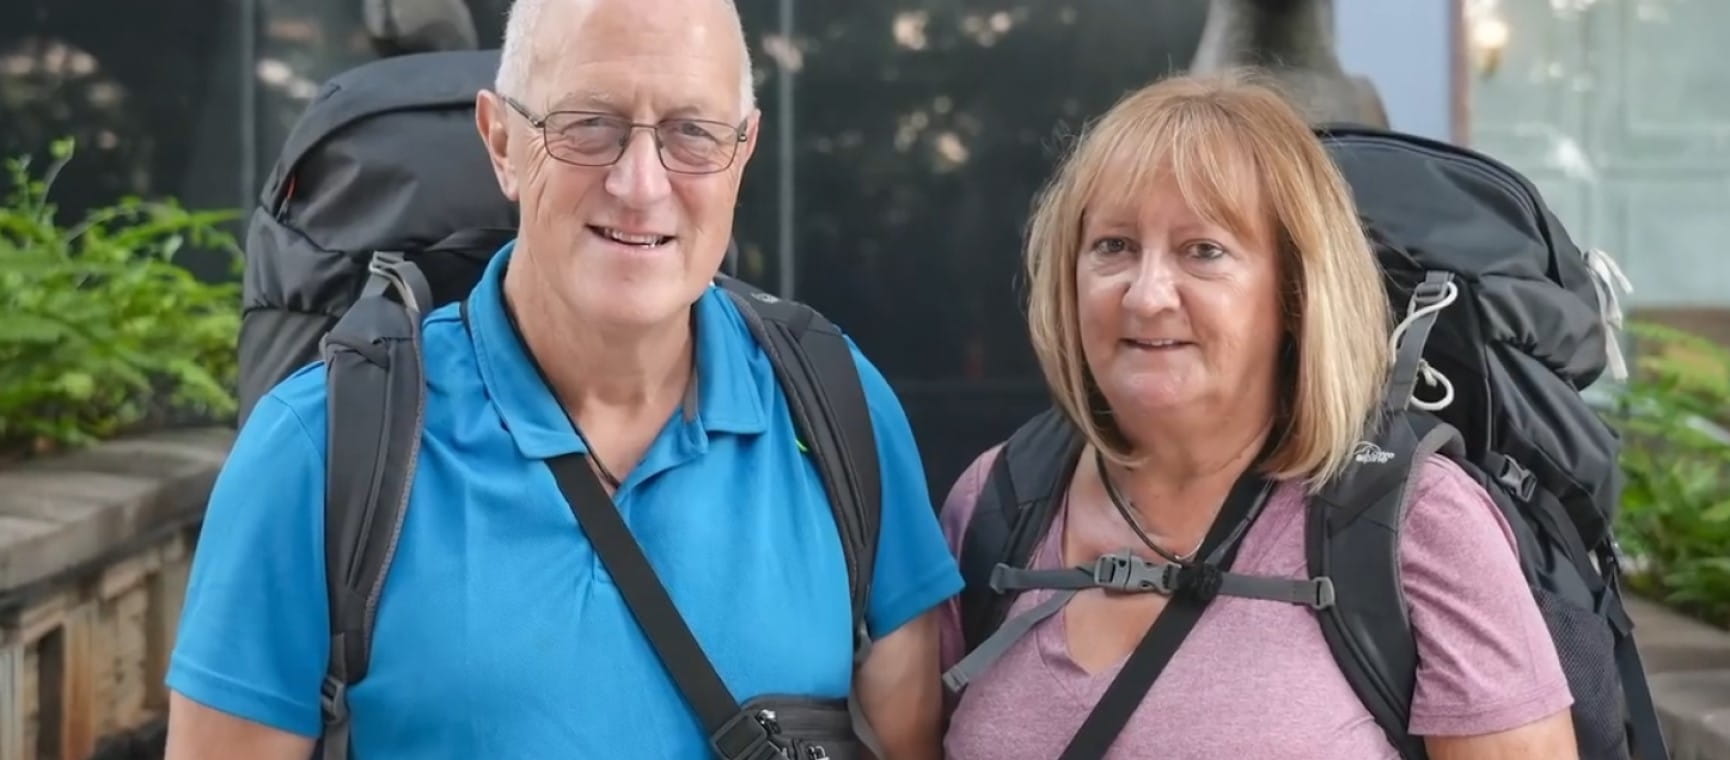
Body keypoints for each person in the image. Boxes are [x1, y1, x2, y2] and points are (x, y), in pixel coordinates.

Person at [162, 0, 961, 757]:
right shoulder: (321, 449)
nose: (641, 185)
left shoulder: (837, 408)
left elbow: (905, 743)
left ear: (742, 153)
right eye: (589, 125)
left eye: (691, 132)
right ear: (501, 141)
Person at [935, 71, 1580, 758]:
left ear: (1296, 293)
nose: (1147, 294)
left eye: (1203, 251)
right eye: (1114, 246)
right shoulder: (998, 501)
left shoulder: (1415, 522)